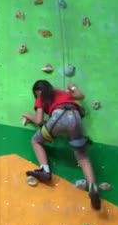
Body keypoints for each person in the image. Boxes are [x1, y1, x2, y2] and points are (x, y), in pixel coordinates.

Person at [22, 79, 101, 210]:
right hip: (75, 118)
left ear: (38, 91)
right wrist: (73, 87)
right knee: (82, 155)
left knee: (36, 140)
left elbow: (39, 120)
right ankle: (93, 185)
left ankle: (45, 170)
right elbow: (80, 95)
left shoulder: (41, 95)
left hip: (59, 117)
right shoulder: (61, 93)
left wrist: (28, 115)